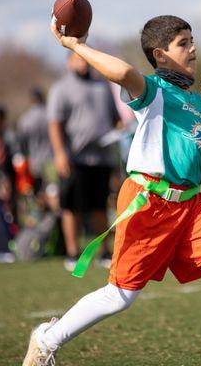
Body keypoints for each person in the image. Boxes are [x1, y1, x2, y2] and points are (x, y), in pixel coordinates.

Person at [23, 15, 201, 366]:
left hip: (192, 205)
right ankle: (46, 339)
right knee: (120, 296)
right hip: (147, 200)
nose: (193, 48)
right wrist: (76, 45)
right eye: (183, 43)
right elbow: (121, 73)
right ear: (160, 55)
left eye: (191, 40)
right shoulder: (153, 91)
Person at [47, 51, 119, 272]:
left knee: (100, 205)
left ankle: (105, 251)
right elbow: (55, 124)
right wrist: (60, 153)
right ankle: (72, 253)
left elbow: (114, 118)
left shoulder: (102, 86)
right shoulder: (61, 88)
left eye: (86, 59)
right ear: (69, 61)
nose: (83, 63)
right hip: (74, 158)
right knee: (72, 207)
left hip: (102, 157)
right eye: (79, 59)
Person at [17, 87, 53, 192]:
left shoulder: (25, 119)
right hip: (51, 161)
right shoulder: (51, 115)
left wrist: (26, 157)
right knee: (52, 191)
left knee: (36, 193)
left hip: (34, 163)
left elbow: (21, 143)